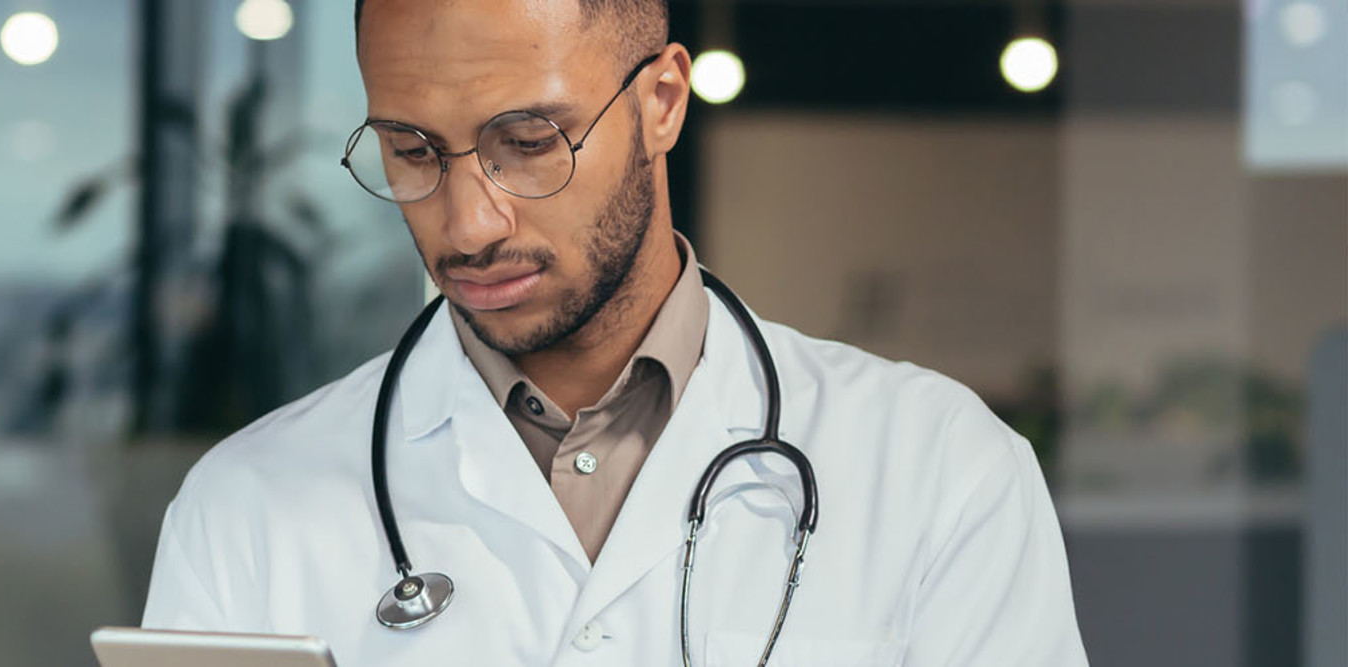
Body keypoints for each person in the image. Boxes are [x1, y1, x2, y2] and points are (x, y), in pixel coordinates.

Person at [141, 0, 1089, 664]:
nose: (468, 223)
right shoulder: (246, 509)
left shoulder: (939, 470)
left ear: (661, 102)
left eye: (528, 142)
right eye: (412, 151)